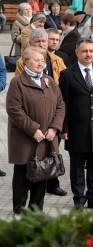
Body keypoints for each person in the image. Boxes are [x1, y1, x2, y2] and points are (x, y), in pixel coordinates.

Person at [6, 47, 65, 214]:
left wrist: (54, 128)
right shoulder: (17, 82)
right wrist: (33, 129)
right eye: (37, 60)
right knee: (23, 175)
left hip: (47, 137)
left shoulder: (49, 81)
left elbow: (61, 105)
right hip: (25, 138)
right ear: (26, 61)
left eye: (42, 60)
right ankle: (19, 211)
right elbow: (14, 109)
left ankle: (36, 211)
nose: (41, 63)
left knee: (43, 174)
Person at [59, 39, 93, 211]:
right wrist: (64, 128)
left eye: (91, 51)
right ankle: (79, 198)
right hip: (77, 128)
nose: (89, 54)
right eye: (85, 51)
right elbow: (63, 104)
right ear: (77, 53)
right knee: (77, 167)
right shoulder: (67, 74)